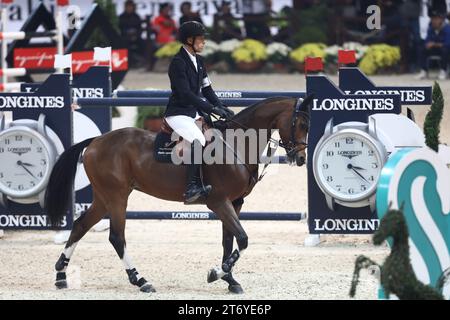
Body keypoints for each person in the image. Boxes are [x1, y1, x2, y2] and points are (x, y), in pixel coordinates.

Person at [165, 21, 235, 204]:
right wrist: (211, 109)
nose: (204, 43)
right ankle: (191, 187)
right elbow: (186, 94)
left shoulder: (200, 61)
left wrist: (221, 107)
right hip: (178, 113)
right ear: (190, 40)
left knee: (216, 135)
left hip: (193, 112)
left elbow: (208, 90)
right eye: (201, 40)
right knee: (199, 140)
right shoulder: (177, 63)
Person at [416, 10, 450, 80]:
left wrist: (434, 44)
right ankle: (424, 71)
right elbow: (427, 41)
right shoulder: (431, 28)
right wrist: (427, 44)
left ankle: (443, 71)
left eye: (436, 19)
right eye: (432, 19)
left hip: (445, 49)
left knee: (445, 50)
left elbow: (447, 43)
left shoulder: (447, 28)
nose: (434, 21)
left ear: (441, 20)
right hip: (435, 49)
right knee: (422, 48)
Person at [119, 0, 145, 68]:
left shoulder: (136, 16)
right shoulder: (121, 17)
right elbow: (120, 29)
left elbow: (140, 29)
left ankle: (143, 62)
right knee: (124, 43)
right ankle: (128, 63)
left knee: (144, 43)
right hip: (125, 37)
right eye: (128, 6)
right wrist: (128, 35)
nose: (130, 8)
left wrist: (136, 36)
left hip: (136, 37)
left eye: (131, 6)